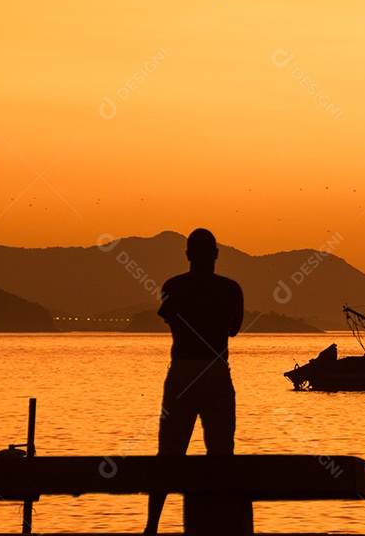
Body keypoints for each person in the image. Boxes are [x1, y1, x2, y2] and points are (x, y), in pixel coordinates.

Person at [144, 228, 244, 534]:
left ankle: (152, 527)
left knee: (169, 454)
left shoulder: (173, 287)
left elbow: (170, 318)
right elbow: (234, 330)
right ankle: (223, 524)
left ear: (188, 256)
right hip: (215, 371)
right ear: (215, 255)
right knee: (221, 454)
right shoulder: (230, 289)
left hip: (182, 372)